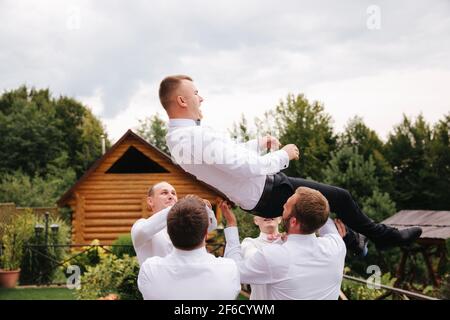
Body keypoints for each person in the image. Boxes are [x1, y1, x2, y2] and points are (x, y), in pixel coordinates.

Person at [159, 74, 422, 250]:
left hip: (261, 190)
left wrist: (258, 144)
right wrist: (284, 155)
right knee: (339, 197)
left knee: (325, 205)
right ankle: (387, 238)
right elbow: (244, 166)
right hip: (265, 189)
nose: (201, 97)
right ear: (182, 100)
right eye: (196, 93)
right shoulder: (192, 137)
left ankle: (356, 241)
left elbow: (227, 156)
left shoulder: (181, 138)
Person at [222, 187, 347, 300]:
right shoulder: (336, 246)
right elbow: (323, 219)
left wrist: (231, 225)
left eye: (285, 207)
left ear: (293, 222)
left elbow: (232, 271)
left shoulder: (275, 255)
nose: (282, 209)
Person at [137, 196, 241, 300]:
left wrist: (180, 207)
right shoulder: (228, 269)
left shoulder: (150, 269)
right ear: (206, 233)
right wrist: (231, 224)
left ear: (168, 232)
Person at [131, 181, 217, 265]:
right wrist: (180, 207)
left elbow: (210, 227)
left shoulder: (182, 224)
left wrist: (206, 210)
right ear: (150, 201)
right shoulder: (141, 224)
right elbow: (142, 231)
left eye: (173, 193)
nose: (171, 196)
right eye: (164, 193)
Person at [240, 216, 283, 300]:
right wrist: (279, 242)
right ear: (256, 220)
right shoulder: (249, 243)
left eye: (272, 211)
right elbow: (257, 262)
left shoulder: (289, 242)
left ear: (280, 219)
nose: (268, 214)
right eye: (262, 212)